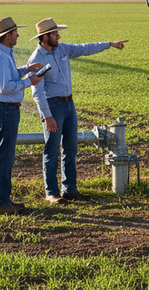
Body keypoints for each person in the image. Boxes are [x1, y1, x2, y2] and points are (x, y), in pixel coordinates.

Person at [27, 18, 128, 205]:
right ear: (45, 37)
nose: (59, 36)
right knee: (52, 151)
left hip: (69, 105)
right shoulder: (36, 60)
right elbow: (37, 93)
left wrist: (109, 44)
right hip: (53, 107)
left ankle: (70, 189)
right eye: (55, 34)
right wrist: (47, 116)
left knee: (71, 149)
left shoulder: (62, 49)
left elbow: (84, 48)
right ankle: (51, 193)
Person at [0, 17, 44, 215]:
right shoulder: (1, 56)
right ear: (7, 35)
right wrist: (30, 81)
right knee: (4, 157)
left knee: (5, 157)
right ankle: (0, 203)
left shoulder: (2, 52)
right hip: (5, 109)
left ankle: (3, 200)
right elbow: (5, 86)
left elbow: (8, 76)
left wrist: (25, 70)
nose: (18, 35)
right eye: (15, 32)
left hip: (5, 109)